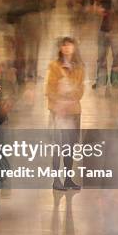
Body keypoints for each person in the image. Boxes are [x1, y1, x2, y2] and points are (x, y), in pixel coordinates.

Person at [45, 37, 84, 190]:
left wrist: (71, 99)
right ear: (60, 48)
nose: (67, 48)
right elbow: (49, 89)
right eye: (64, 45)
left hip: (73, 111)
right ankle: (56, 179)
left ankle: (68, 177)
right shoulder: (54, 66)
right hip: (58, 112)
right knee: (58, 145)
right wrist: (61, 101)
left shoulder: (79, 67)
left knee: (71, 145)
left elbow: (80, 89)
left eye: (70, 45)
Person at [77, 0, 118, 90]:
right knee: (101, 56)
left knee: (116, 55)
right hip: (101, 28)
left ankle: (115, 80)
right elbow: (79, 6)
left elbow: (108, 9)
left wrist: (94, 9)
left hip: (114, 28)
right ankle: (101, 80)